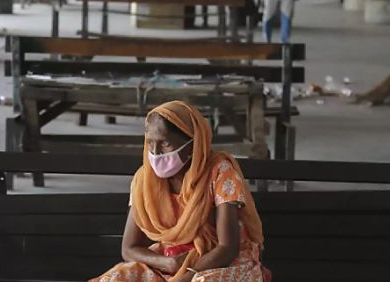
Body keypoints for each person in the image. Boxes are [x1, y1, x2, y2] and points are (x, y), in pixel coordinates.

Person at [90, 101, 267, 282]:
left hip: (218, 265)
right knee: (116, 278)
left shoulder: (219, 172)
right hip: (169, 262)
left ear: (192, 145)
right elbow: (129, 248)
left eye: (165, 143)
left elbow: (227, 248)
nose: (155, 152)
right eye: (150, 142)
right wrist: (169, 264)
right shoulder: (145, 180)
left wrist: (187, 275)